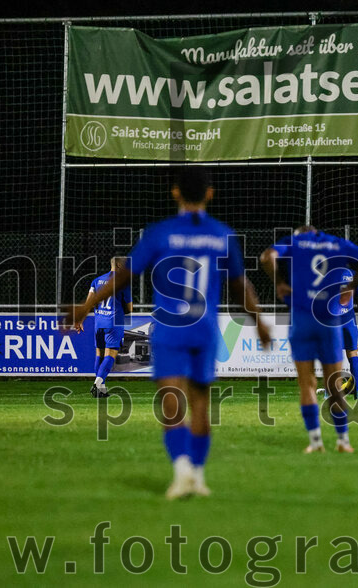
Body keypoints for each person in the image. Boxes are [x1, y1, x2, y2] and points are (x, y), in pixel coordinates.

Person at [66, 169, 271, 499]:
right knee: (201, 405)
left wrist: (86, 304)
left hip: (170, 330)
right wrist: (259, 320)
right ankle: (199, 477)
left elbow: (121, 276)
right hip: (203, 329)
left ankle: (181, 474)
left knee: (172, 400)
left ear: (175, 193)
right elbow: (239, 285)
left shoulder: (159, 233)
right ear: (210, 194)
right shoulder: (222, 234)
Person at [261, 226, 358, 454]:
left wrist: (279, 282)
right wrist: (353, 285)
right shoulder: (335, 243)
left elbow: (267, 257)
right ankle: (343, 441)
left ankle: (315, 442)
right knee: (333, 384)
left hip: (302, 319)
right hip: (328, 321)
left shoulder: (294, 243)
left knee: (307, 383)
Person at [78, 257, 132, 398]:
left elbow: (88, 303)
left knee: (99, 355)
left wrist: (80, 319)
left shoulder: (96, 281)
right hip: (114, 322)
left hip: (99, 323)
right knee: (110, 355)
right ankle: (97, 384)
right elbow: (130, 309)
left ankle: (101, 390)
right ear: (119, 265)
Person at [330, 266, 358, 399]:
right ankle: (357, 392)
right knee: (352, 354)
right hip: (349, 321)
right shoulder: (353, 275)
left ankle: (329, 391)